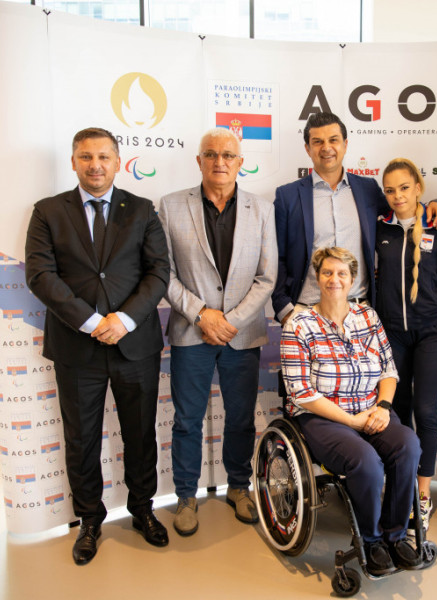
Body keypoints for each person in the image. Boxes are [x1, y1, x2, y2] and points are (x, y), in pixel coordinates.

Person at [25, 127, 170, 565]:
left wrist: (123, 320)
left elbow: (158, 272)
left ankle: (142, 509)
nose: (95, 165)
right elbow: (40, 275)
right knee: (82, 438)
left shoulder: (142, 209)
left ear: (118, 162)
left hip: (134, 344)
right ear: (73, 162)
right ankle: (89, 520)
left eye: (104, 156)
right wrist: (92, 322)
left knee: (140, 434)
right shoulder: (48, 212)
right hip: (76, 346)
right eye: (86, 157)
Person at [158, 128, 277, 536]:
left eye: (228, 155)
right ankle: (186, 496)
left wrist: (230, 321)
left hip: (241, 335)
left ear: (240, 162)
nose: (219, 161)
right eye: (210, 154)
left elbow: (266, 277)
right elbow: (164, 274)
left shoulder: (262, 209)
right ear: (199, 161)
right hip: (191, 332)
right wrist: (201, 315)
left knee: (241, 418)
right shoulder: (171, 206)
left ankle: (239, 487)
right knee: (187, 419)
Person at [280, 247, 423, 575]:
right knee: (365, 461)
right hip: (322, 416)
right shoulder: (299, 324)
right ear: (317, 278)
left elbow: (388, 370)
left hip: (371, 408)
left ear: (353, 279)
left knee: (408, 446)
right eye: (327, 273)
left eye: (342, 273)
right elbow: (301, 393)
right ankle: (371, 542)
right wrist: (352, 421)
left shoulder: (368, 317)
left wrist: (383, 407)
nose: (334, 279)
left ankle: (395, 535)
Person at [271, 112, 437, 325]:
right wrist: (284, 309)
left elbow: (402, 210)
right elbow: (276, 257)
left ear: (345, 144)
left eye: (333, 140)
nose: (326, 148)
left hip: (359, 312)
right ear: (308, 148)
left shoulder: (367, 189)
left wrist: (430, 206)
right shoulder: (288, 196)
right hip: (306, 313)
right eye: (317, 142)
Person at [375, 158, 437, 532]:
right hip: (391, 335)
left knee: (425, 412)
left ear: (419, 188)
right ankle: (400, 486)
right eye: (390, 190)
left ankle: (422, 495)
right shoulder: (380, 227)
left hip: (430, 333)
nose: (397, 196)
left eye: (404, 188)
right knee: (397, 412)